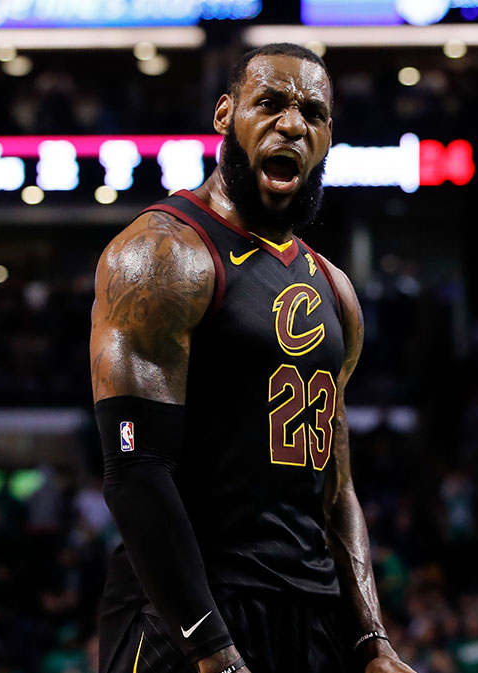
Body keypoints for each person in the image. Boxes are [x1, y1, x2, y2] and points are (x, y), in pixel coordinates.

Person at [90, 43, 416, 673]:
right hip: (185, 614)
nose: (292, 123)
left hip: (311, 612)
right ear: (224, 115)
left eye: (313, 114)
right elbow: (134, 470)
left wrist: (371, 637)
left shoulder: (336, 289)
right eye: (269, 103)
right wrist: (210, 647)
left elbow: (337, 489)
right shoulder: (160, 255)